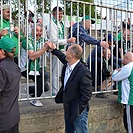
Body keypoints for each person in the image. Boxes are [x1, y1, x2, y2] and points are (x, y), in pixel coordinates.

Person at [47, 42, 93, 133]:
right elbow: (61, 56)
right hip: (68, 107)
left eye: (67, 51)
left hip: (78, 110)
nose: (65, 52)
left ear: (72, 55)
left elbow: (87, 94)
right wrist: (54, 49)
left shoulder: (83, 72)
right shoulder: (68, 63)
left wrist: (78, 109)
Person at [47, 6, 76, 96]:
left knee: (60, 72)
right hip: (55, 50)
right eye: (58, 14)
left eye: (61, 14)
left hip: (62, 50)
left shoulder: (61, 23)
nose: (60, 16)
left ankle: (59, 90)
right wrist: (68, 40)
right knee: (55, 72)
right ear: (53, 14)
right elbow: (54, 40)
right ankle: (54, 92)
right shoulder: (52, 24)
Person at [20, 23, 50, 107]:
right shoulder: (28, 40)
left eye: (40, 31)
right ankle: (35, 99)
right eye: (37, 30)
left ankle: (30, 89)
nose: (39, 33)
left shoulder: (42, 41)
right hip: (26, 68)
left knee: (46, 87)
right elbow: (32, 56)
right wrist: (45, 48)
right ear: (32, 31)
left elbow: (49, 48)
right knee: (45, 76)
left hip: (37, 68)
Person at [0, 36, 21, 133]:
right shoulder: (14, 66)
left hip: (3, 120)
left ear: (2, 51)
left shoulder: (2, 68)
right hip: (13, 117)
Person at [112, 52, 133, 133]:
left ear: (127, 58)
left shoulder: (128, 67)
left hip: (129, 100)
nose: (122, 59)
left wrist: (116, 71)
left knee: (129, 123)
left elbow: (115, 78)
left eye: (123, 58)